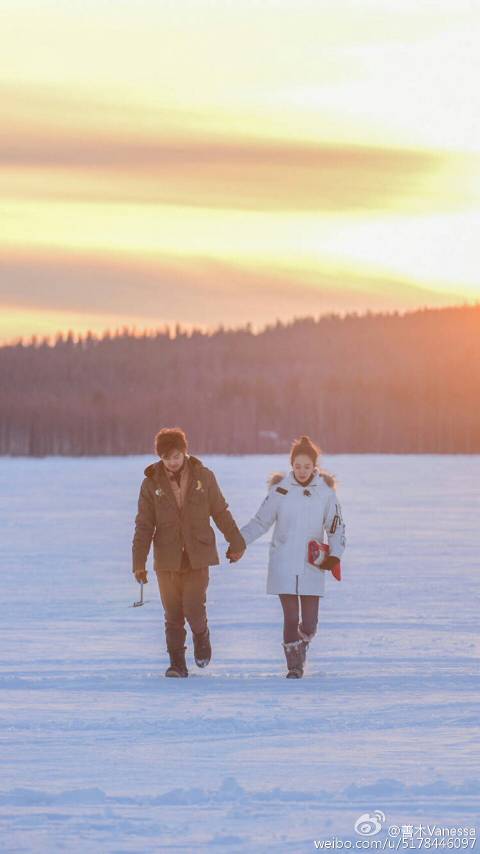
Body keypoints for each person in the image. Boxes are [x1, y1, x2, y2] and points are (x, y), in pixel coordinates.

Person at [132, 427, 246, 678]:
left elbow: (220, 511)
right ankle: (177, 664)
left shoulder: (203, 477)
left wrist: (236, 542)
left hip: (197, 556)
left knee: (194, 608)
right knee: (172, 614)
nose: (172, 462)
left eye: (176, 456)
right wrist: (138, 563)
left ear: (185, 452)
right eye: (166, 458)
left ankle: (201, 635)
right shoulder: (151, 483)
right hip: (167, 559)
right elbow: (144, 525)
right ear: (160, 458)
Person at [238, 435, 346, 678]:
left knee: (309, 624)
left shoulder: (326, 494)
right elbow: (260, 522)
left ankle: (301, 646)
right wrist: (239, 541)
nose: (302, 471)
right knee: (290, 617)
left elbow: (336, 527)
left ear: (314, 466)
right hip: (283, 563)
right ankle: (294, 667)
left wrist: (335, 555)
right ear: (292, 465)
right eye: (297, 466)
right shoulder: (280, 490)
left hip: (312, 564)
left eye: (307, 466)